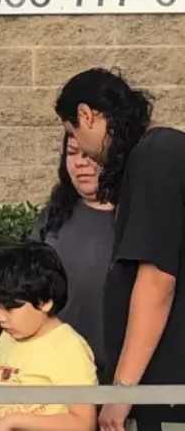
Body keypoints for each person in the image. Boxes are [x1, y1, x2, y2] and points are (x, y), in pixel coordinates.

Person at [55, 68, 185, 431]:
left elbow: (157, 279)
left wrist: (123, 392)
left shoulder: (154, 156)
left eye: (73, 134)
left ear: (86, 115)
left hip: (170, 393)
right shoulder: (155, 156)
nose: (82, 152)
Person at [0, 244, 96, 431]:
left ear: (45, 302)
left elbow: (83, 424)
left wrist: (14, 421)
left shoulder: (69, 348)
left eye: (10, 307)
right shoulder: (6, 338)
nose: (0, 317)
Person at [34, 135, 116, 362]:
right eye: (71, 153)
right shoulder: (53, 215)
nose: (80, 162)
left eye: (89, 154)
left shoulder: (137, 218)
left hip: (119, 371)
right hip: (57, 365)